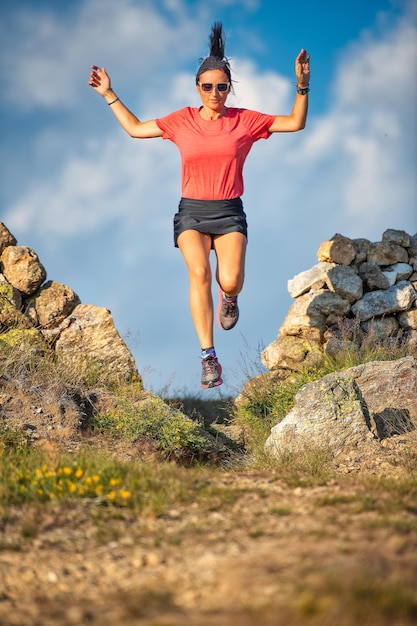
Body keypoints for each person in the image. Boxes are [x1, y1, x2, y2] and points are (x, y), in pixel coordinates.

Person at [88, 22, 310, 389]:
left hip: (229, 211)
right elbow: (135, 128)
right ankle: (209, 358)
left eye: (221, 87)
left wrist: (301, 85)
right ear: (197, 87)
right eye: (207, 86)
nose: (215, 93)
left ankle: (230, 297)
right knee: (199, 274)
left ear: (229, 88)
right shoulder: (183, 120)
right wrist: (109, 94)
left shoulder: (244, 121)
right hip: (191, 211)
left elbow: (296, 123)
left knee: (230, 278)